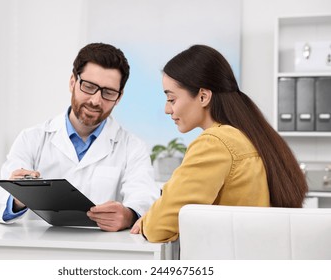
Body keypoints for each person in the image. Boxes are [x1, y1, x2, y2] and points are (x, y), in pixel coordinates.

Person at [130, 44, 308, 242]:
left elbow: (158, 228)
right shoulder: (254, 137)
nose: (167, 109)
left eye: (172, 99)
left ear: (203, 96)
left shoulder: (215, 144)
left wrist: (147, 220)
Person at [0, 42, 160, 232]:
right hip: (39, 251)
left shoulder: (132, 147)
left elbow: (144, 198)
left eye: (108, 93)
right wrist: (18, 197)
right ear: (72, 82)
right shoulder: (32, 139)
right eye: (89, 87)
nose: (96, 100)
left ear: (119, 97)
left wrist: (129, 215)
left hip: (104, 253)